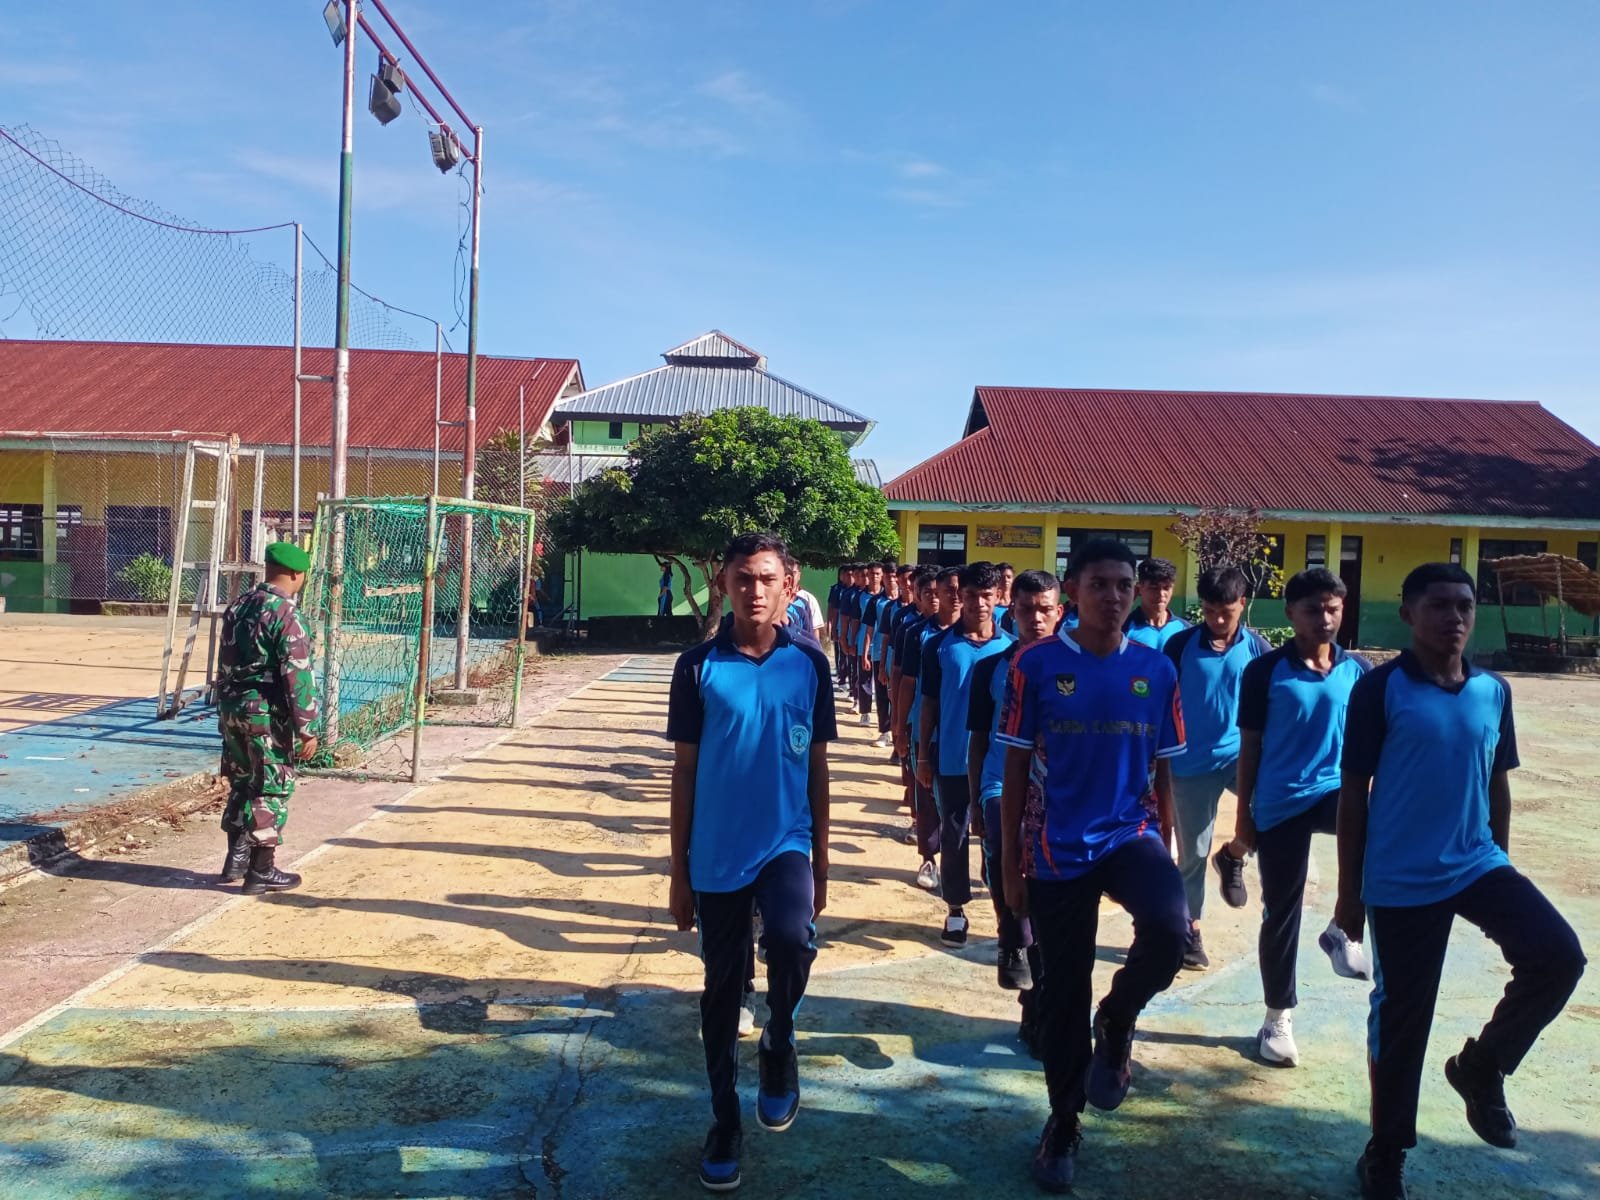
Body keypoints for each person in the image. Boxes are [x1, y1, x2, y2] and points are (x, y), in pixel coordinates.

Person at [1336, 563, 1585, 1200]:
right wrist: (1349, 897)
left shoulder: (1493, 691)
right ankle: (1386, 1152)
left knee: (1559, 956)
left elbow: (1497, 781)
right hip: (1401, 877)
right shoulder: (1380, 689)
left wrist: (1502, 863)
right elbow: (1353, 793)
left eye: (1465, 606)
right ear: (1409, 614)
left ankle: (1481, 1067)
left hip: (1477, 863)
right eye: (1440, 605)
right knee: (1403, 1018)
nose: (1455, 617)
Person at [997, 539, 1187, 1193]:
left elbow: (1164, 768)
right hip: (1057, 847)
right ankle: (1062, 1121)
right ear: (1073, 591)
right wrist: (1010, 866)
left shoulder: (1157, 669)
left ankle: (1119, 1016)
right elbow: (1015, 767)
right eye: (1099, 584)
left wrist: (1169, 844)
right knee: (1061, 993)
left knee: (1171, 931)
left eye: (1124, 585)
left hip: (1132, 834)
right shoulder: (1036, 664)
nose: (1114, 596)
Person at [667, 532, 837, 1194]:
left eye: (767, 578)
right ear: (724, 585)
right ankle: (724, 1122)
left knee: (793, 941)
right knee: (720, 989)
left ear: (789, 587)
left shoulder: (809, 665)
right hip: (716, 853)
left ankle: (779, 1037)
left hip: (785, 842)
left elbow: (817, 766)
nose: (755, 590)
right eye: (743, 578)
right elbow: (684, 772)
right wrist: (678, 872)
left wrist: (823, 858)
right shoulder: (696, 667)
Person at [1210, 568, 1373, 1067]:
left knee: (1381, 837)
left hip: (1334, 792)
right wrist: (1245, 819)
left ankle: (1343, 929)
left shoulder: (1359, 670)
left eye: (1333, 608)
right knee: (1282, 910)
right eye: (1313, 609)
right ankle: (1277, 1016)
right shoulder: (1265, 672)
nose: (1324, 618)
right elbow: (1250, 749)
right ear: (1291, 614)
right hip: (1280, 802)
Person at [968, 568, 1060, 1049]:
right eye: (1026, 610)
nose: (1036, 619)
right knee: (1010, 858)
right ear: (1012, 611)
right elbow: (978, 739)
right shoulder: (991, 668)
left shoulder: (1076, 669)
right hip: (1000, 784)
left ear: (1060, 612)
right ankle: (1010, 936)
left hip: (1057, 793)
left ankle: (1037, 1010)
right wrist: (974, 800)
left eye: (1045, 610)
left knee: (1051, 904)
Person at [1163, 566, 1270, 969]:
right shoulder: (1180, 646)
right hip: (1190, 763)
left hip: (1241, 756)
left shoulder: (1258, 649)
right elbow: (1160, 702)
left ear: (1243, 603)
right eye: (1209, 611)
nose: (1218, 620)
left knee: (1272, 814)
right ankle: (1191, 929)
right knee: (1192, 851)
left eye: (1226, 612)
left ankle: (1233, 855)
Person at [216, 541, 321, 895]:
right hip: (264, 713)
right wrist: (307, 727)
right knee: (270, 787)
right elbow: (297, 674)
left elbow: (224, 661)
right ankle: (261, 871)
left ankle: (236, 859)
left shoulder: (239, 606)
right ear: (296, 574)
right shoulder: (286, 614)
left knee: (242, 781)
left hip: (232, 709)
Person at [918, 561, 1013, 944]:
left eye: (986, 595)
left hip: (999, 765)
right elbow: (928, 703)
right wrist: (923, 755)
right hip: (953, 758)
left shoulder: (1011, 649)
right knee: (955, 836)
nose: (978, 603)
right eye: (971, 595)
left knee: (1000, 838)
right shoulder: (939, 646)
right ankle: (955, 908)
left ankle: (1006, 910)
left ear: (998, 597)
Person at [899, 566, 961, 891]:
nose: (942, 599)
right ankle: (929, 858)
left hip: (966, 737)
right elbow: (907, 682)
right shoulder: (919, 635)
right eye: (934, 593)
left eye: (948, 591)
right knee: (927, 799)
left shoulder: (986, 638)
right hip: (926, 731)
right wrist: (899, 727)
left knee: (960, 809)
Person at [1124, 557, 1190, 650]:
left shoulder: (1185, 630)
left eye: (1166, 588)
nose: (1161, 594)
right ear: (1139, 589)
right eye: (1154, 588)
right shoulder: (1124, 628)